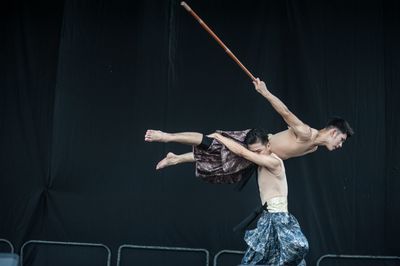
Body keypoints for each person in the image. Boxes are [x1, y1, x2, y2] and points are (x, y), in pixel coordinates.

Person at [144, 78, 353, 183]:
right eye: (342, 139)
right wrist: (265, 92)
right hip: (254, 143)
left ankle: (175, 158)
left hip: (255, 158)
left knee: (215, 161)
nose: (340, 145)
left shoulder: (312, 149)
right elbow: (286, 112)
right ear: (333, 132)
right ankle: (166, 136)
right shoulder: (307, 133)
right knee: (211, 144)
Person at [208, 129, 309, 265]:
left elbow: (242, 152)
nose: (255, 155)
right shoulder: (259, 163)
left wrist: (218, 137)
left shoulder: (274, 162)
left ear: (268, 146)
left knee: (298, 247)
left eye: (258, 151)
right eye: (253, 152)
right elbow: (227, 157)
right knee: (254, 260)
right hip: (267, 219)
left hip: (280, 218)